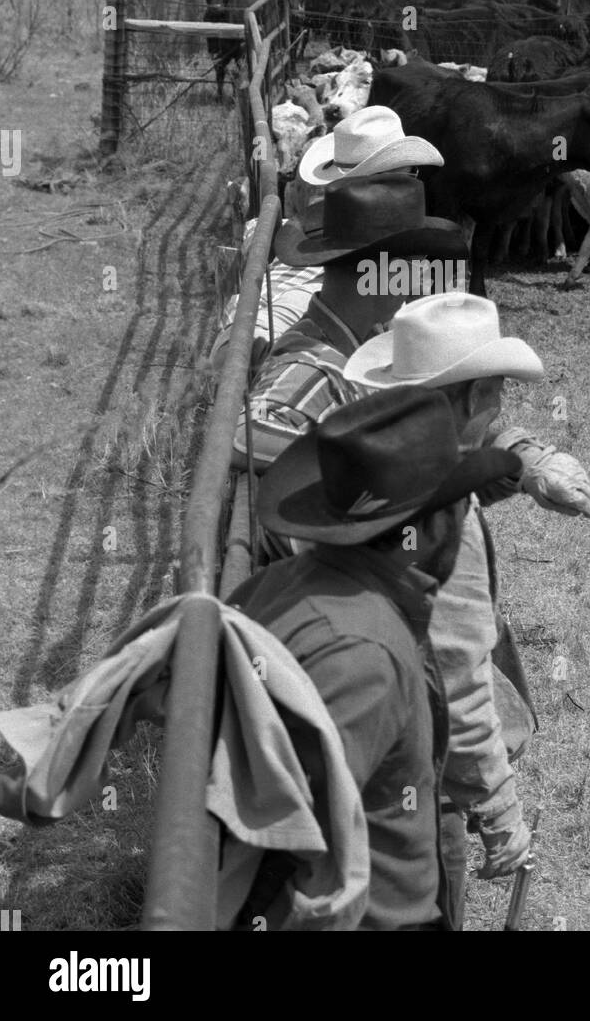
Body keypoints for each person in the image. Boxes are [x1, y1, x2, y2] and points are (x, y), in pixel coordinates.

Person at [344, 291, 590, 920]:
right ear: (466, 398)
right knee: (430, 900)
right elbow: (456, 681)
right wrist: (499, 812)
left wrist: (534, 461)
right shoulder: (441, 522)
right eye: (496, 390)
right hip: (413, 765)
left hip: (352, 736)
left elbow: (488, 441)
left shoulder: (371, 452)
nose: (503, 404)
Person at [229, 385, 523, 931]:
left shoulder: (277, 586)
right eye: (459, 508)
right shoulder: (367, 653)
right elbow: (285, 834)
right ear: (431, 527)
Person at [231, 171, 467, 479]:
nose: (422, 273)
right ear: (384, 271)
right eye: (415, 260)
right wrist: (374, 457)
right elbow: (243, 436)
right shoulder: (315, 366)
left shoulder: (354, 342)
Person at [211, 106, 444, 371]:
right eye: (406, 176)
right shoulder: (319, 286)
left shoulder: (307, 240)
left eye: (413, 173)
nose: (413, 185)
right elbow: (234, 349)